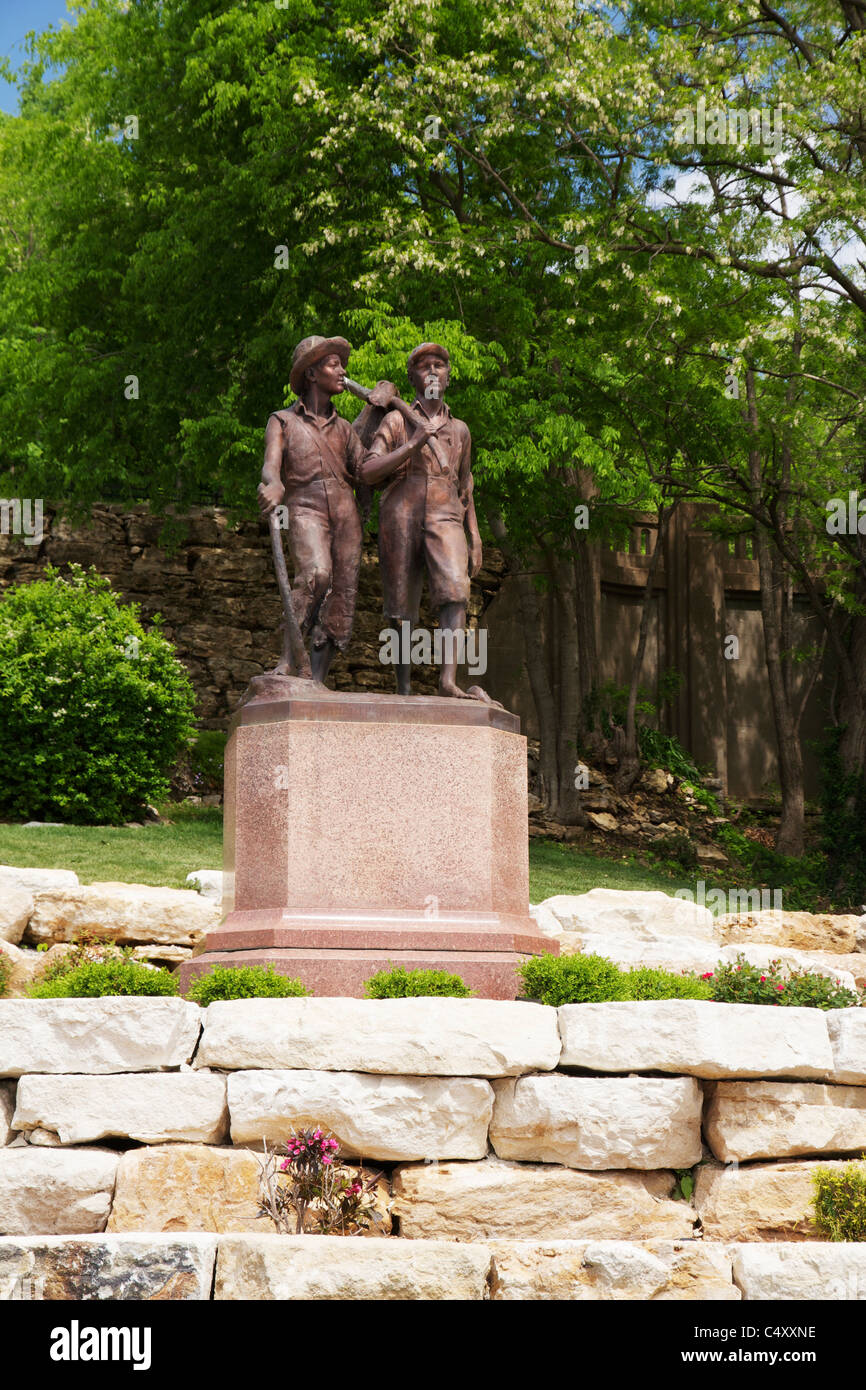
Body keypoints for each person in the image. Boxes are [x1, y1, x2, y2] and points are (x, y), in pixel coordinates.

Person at [359, 342, 492, 700]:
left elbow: (466, 485)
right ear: (413, 377)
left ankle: (447, 681)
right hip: (401, 510)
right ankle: (402, 687)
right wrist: (413, 444)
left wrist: (475, 535)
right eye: (424, 366)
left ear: (448, 377)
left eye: (439, 365)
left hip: (447, 513)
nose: (433, 371)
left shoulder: (460, 430)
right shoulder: (397, 419)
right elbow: (369, 470)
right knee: (401, 605)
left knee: (455, 592)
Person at [257, 335, 368, 683]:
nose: (343, 370)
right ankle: (289, 660)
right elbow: (270, 465)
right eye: (334, 364)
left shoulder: (347, 429)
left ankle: (318, 680)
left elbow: (367, 471)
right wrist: (273, 483)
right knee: (316, 576)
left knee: (343, 593)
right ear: (311, 373)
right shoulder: (283, 420)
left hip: (345, 512)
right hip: (305, 506)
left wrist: (403, 432)